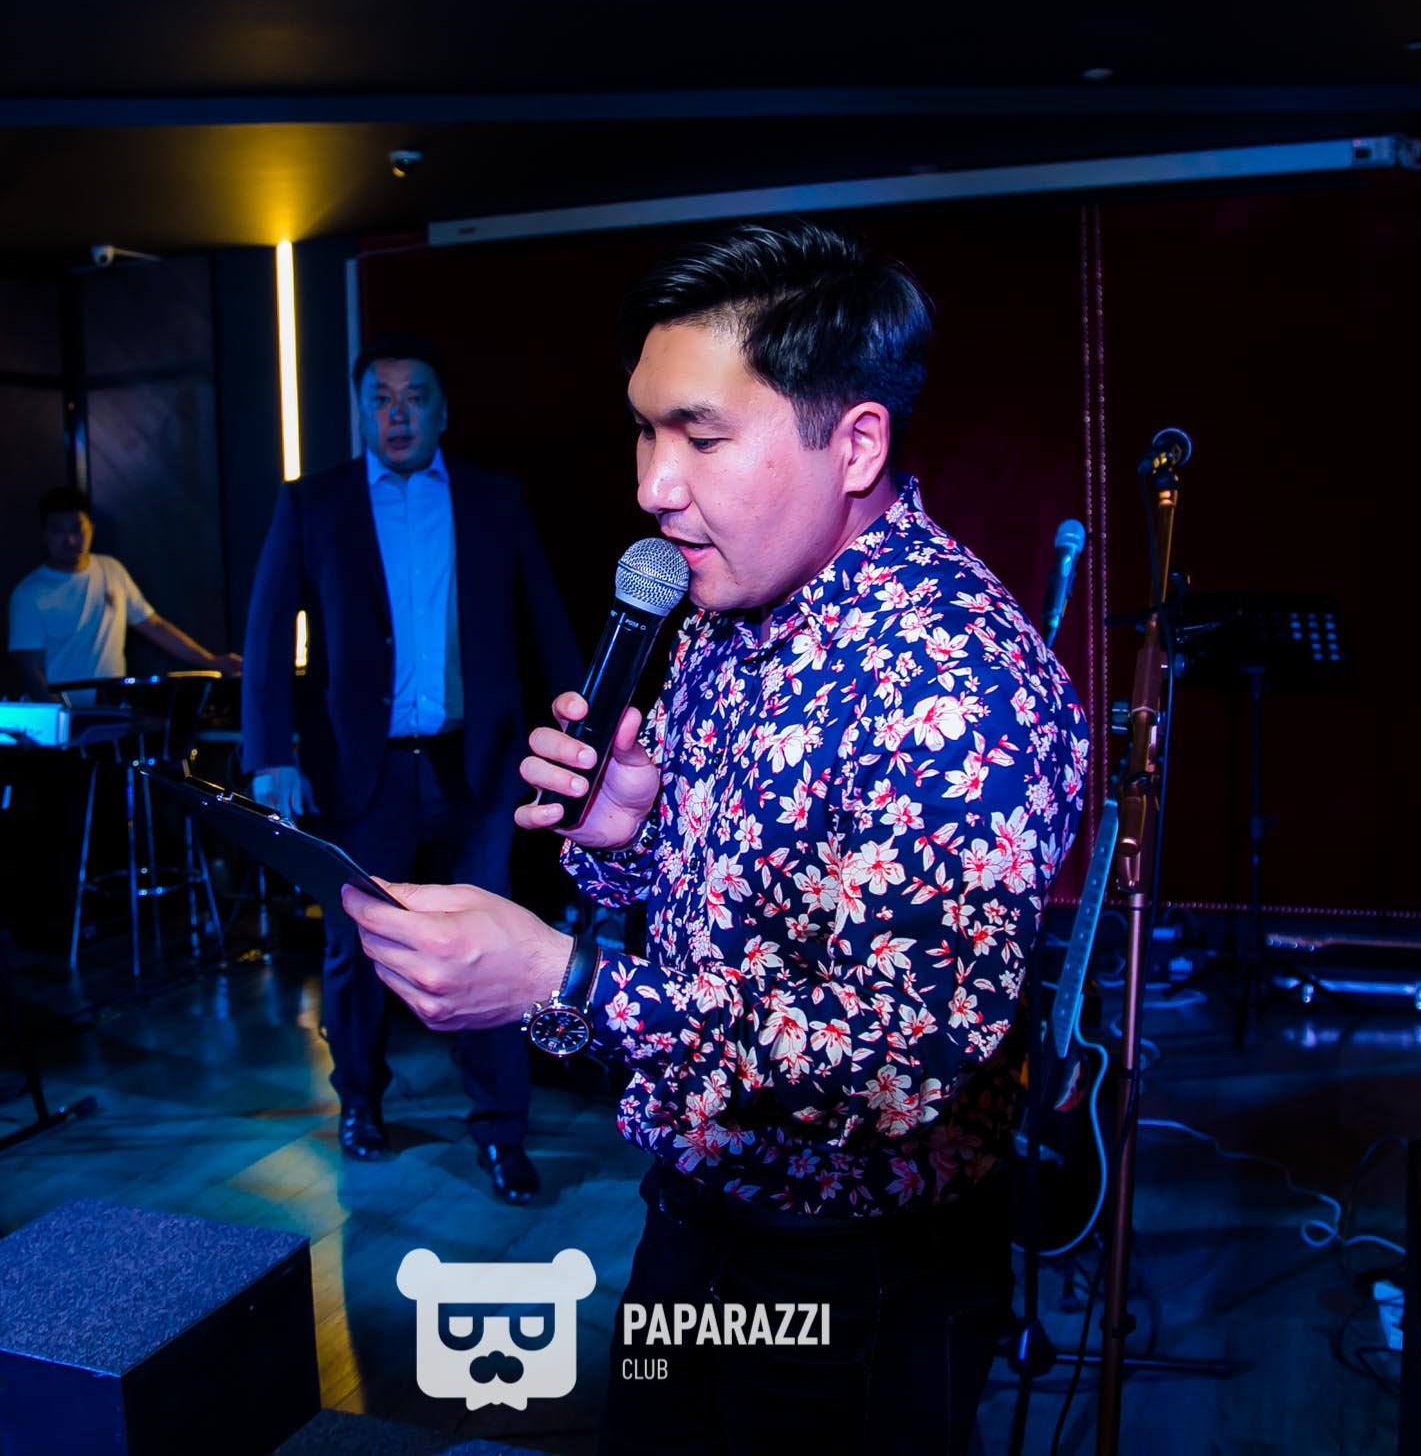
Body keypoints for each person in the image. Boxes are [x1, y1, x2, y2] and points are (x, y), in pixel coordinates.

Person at [337, 221, 1089, 1451]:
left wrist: (565, 981)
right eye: (645, 431)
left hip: (853, 1269)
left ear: (856, 445)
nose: (652, 485)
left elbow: (889, 1066)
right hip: (694, 1205)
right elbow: (719, 927)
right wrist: (628, 835)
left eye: (700, 436)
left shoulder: (960, 690)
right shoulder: (725, 612)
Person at [242, 333, 581, 1204]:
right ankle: (359, 1102)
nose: (397, 414)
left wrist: (583, 731)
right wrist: (270, 754)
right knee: (355, 948)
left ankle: (502, 1131)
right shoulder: (312, 503)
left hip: (477, 769)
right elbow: (268, 633)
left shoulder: (493, 497)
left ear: (442, 410)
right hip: (360, 772)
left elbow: (545, 619)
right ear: (361, 412)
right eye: (380, 398)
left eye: (414, 396)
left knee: (490, 949)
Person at [7, 485, 241, 699]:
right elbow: (30, 669)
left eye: (77, 528)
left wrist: (211, 661)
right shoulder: (29, 593)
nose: (69, 540)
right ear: (44, 534)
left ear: (91, 529)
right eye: (58, 530)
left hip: (112, 710)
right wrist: (63, 716)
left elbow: (154, 625)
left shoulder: (111, 570)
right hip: (65, 716)